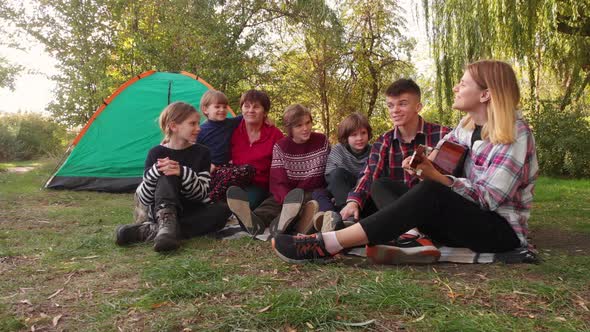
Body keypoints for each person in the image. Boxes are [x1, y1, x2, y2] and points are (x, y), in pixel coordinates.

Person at [271, 60, 539, 264]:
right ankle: (413, 236)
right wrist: (425, 165)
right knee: (385, 184)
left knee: (433, 191)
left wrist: (439, 178)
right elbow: (437, 160)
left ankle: (330, 243)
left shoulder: (514, 134)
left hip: (498, 230)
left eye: (463, 84)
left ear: (485, 94)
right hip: (459, 219)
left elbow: (489, 199)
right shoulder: (465, 128)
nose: (456, 87)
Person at [115, 102, 231, 252]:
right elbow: (144, 199)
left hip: (191, 212)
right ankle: (166, 226)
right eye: (192, 124)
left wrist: (183, 172)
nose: (198, 128)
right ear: (174, 126)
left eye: (198, 123)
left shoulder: (203, 153)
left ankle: (150, 231)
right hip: (160, 213)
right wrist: (156, 172)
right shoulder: (156, 153)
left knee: (223, 210)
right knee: (167, 174)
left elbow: (201, 194)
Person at [340, 79, 451, 222]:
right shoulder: (384, 141)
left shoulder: (443, 135)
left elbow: (452, 179)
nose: (395, 110)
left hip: (432, 205)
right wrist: (353, 201)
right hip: (396, 206)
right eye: (390, 106)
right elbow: (370, 173)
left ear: (418, 107)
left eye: (402, 104)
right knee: (378, 186)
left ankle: (409, 232)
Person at [227, 104, 330, 235]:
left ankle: (285, 223)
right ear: (290, 129)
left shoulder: (321, 141)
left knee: (308, 204)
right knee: (271, 204)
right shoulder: (281, 146)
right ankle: (254, 221)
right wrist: (288, 202)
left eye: (308, 123)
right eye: (299, 126)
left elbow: (329, 171)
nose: (305, 128)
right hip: (288, 192)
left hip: (313, 191)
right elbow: (278, 179)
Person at [229, 90, 284, 211]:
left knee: (245, 206)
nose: (250, 110)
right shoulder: (232, 129)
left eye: (256, 107)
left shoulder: (275, 135)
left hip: (260, 185)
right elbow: (212, 125)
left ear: (265, 112)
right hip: (233, 181)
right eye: (246, 106)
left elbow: (283, 166)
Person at [197, 90, 255, 202]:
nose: (222, 110)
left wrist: (265, 117)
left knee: (248, 170)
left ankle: (220, 197)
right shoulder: (201, 131)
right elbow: (194, 152)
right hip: (212, 171)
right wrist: (206, 166)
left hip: (228, 168)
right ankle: (210, 199)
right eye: (217, 107)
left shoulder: (230, 123)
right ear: (205, 110)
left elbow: (246, 115)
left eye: (224, 107)